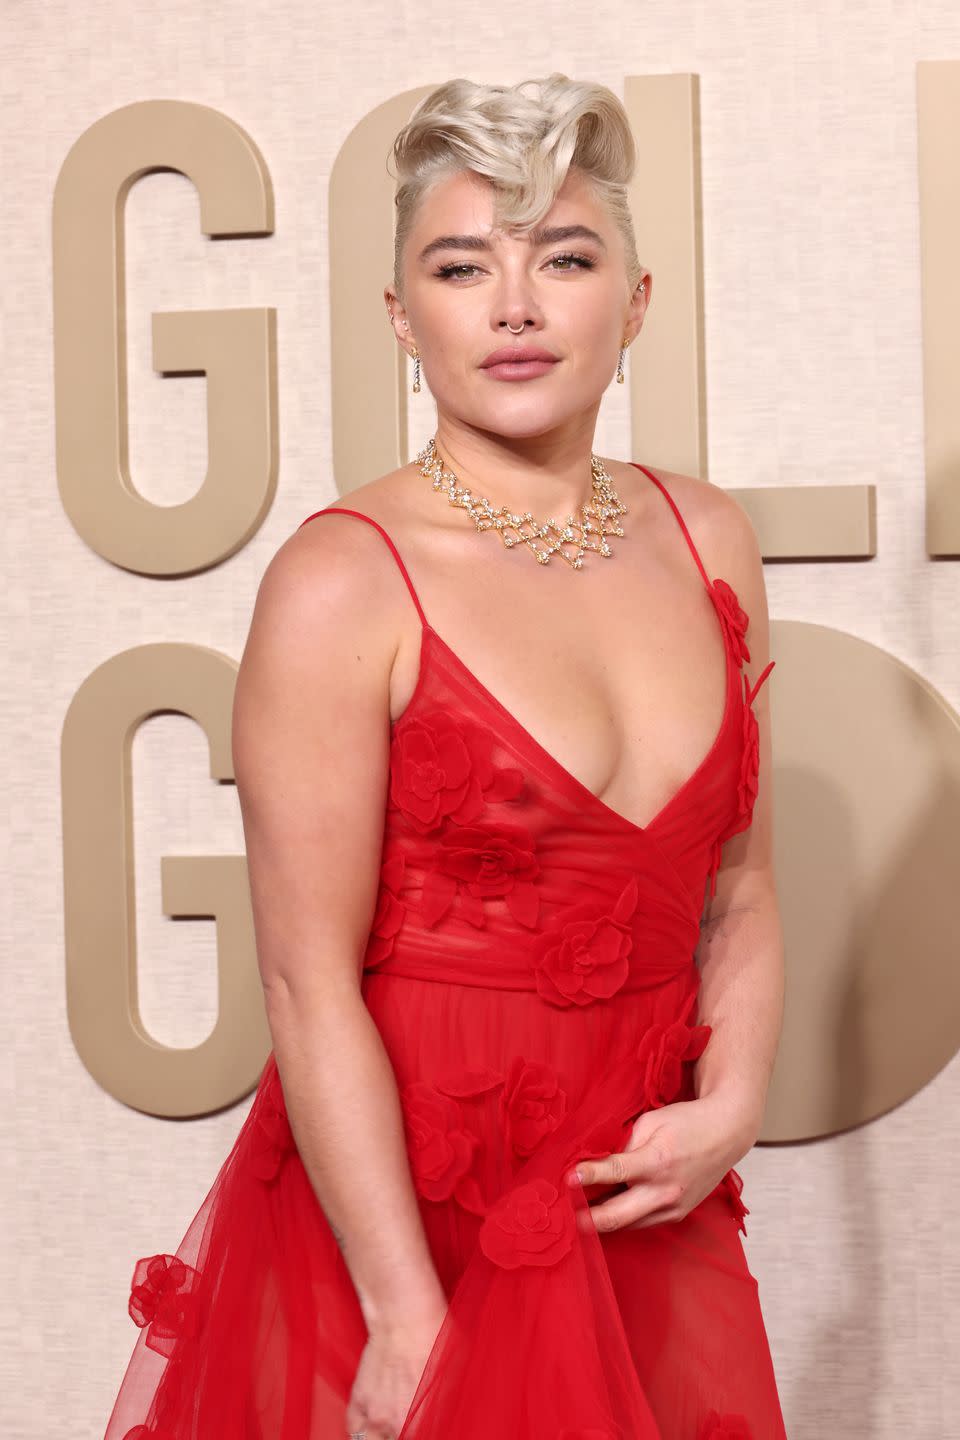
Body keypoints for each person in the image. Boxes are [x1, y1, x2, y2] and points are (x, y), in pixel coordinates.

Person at [102, 73, 786, 1440]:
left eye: (566, 259)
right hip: (407, 1224)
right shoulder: (344, 582)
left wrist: (735, 1110)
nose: (517, 306)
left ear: (636, 304)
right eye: (464, 267)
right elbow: (305, 983)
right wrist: (406, 1308)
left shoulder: (709, 540)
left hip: (645, 1202)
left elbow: (745, 889)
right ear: (404, 319)